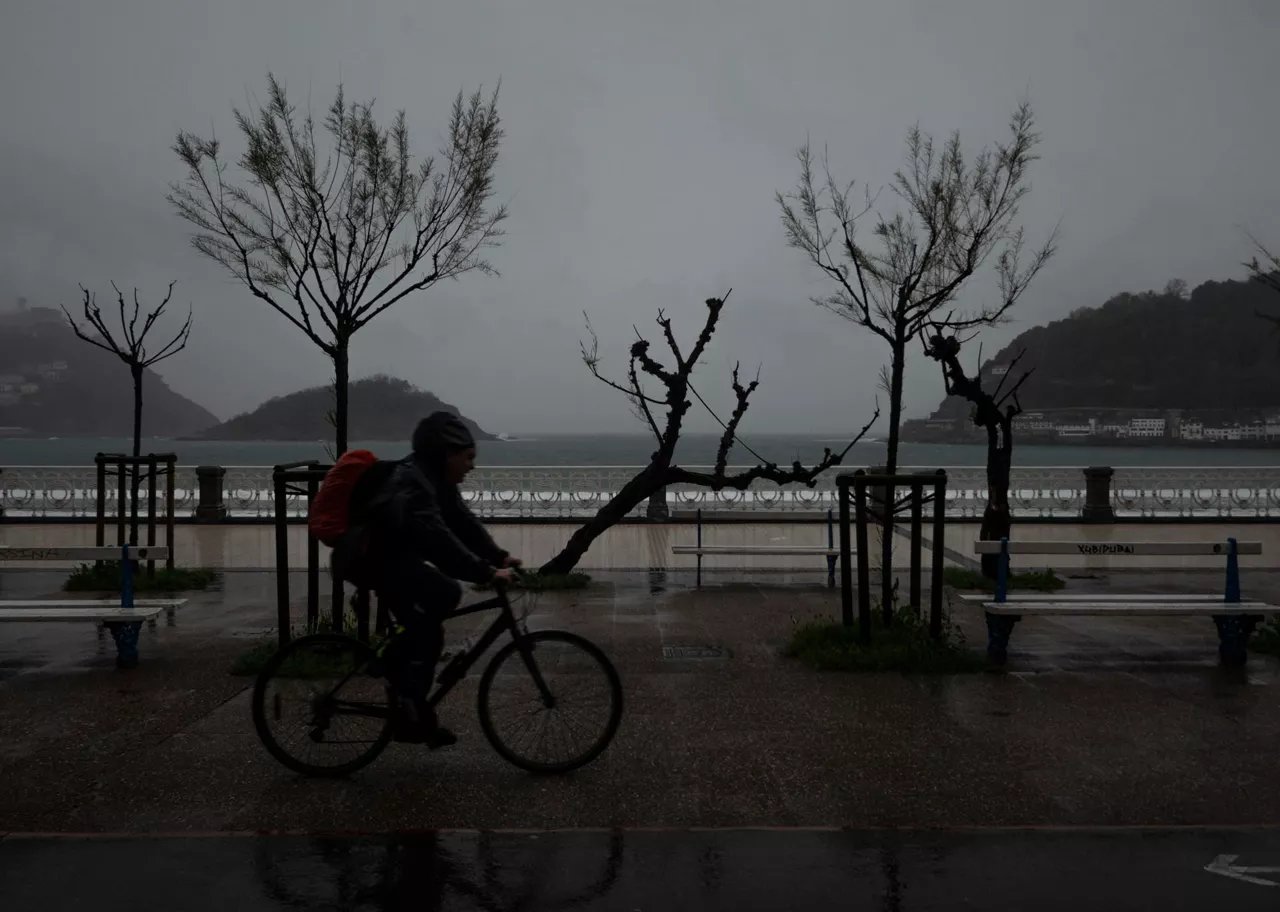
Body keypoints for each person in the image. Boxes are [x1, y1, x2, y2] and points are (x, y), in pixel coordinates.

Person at [365, 411, 519, 747]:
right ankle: (401, 688)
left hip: (394, 559)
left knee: (431, 628)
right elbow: (441, 543)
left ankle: (412, 709)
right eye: (468, 458)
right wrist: (487, 572)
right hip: (375, 561)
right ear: (448, 454)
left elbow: (462, 525)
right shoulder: (414, 485)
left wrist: (498, 557)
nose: (472, 466)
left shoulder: (434, 480)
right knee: (443, 595)